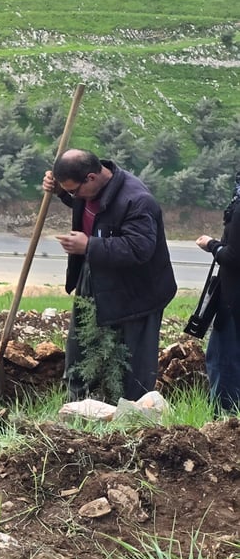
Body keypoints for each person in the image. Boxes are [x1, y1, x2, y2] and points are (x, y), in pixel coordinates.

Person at [43, 149, 176, 400]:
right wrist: (61, 192)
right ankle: (78, 405)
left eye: (73, 190)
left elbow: (140, 249)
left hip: (138, 293)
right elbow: (85, 204)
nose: (75, 196)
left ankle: (132, 417)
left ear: (91, 177)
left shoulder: (137, 201)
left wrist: (89, 246)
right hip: (96, 274)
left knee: (132, 361)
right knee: (80, 343)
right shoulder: (90, 189)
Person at [195, 170, 240, 414]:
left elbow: (234, 256)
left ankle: (225, 421)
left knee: (225, 361)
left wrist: (212, 245)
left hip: (233, 300)